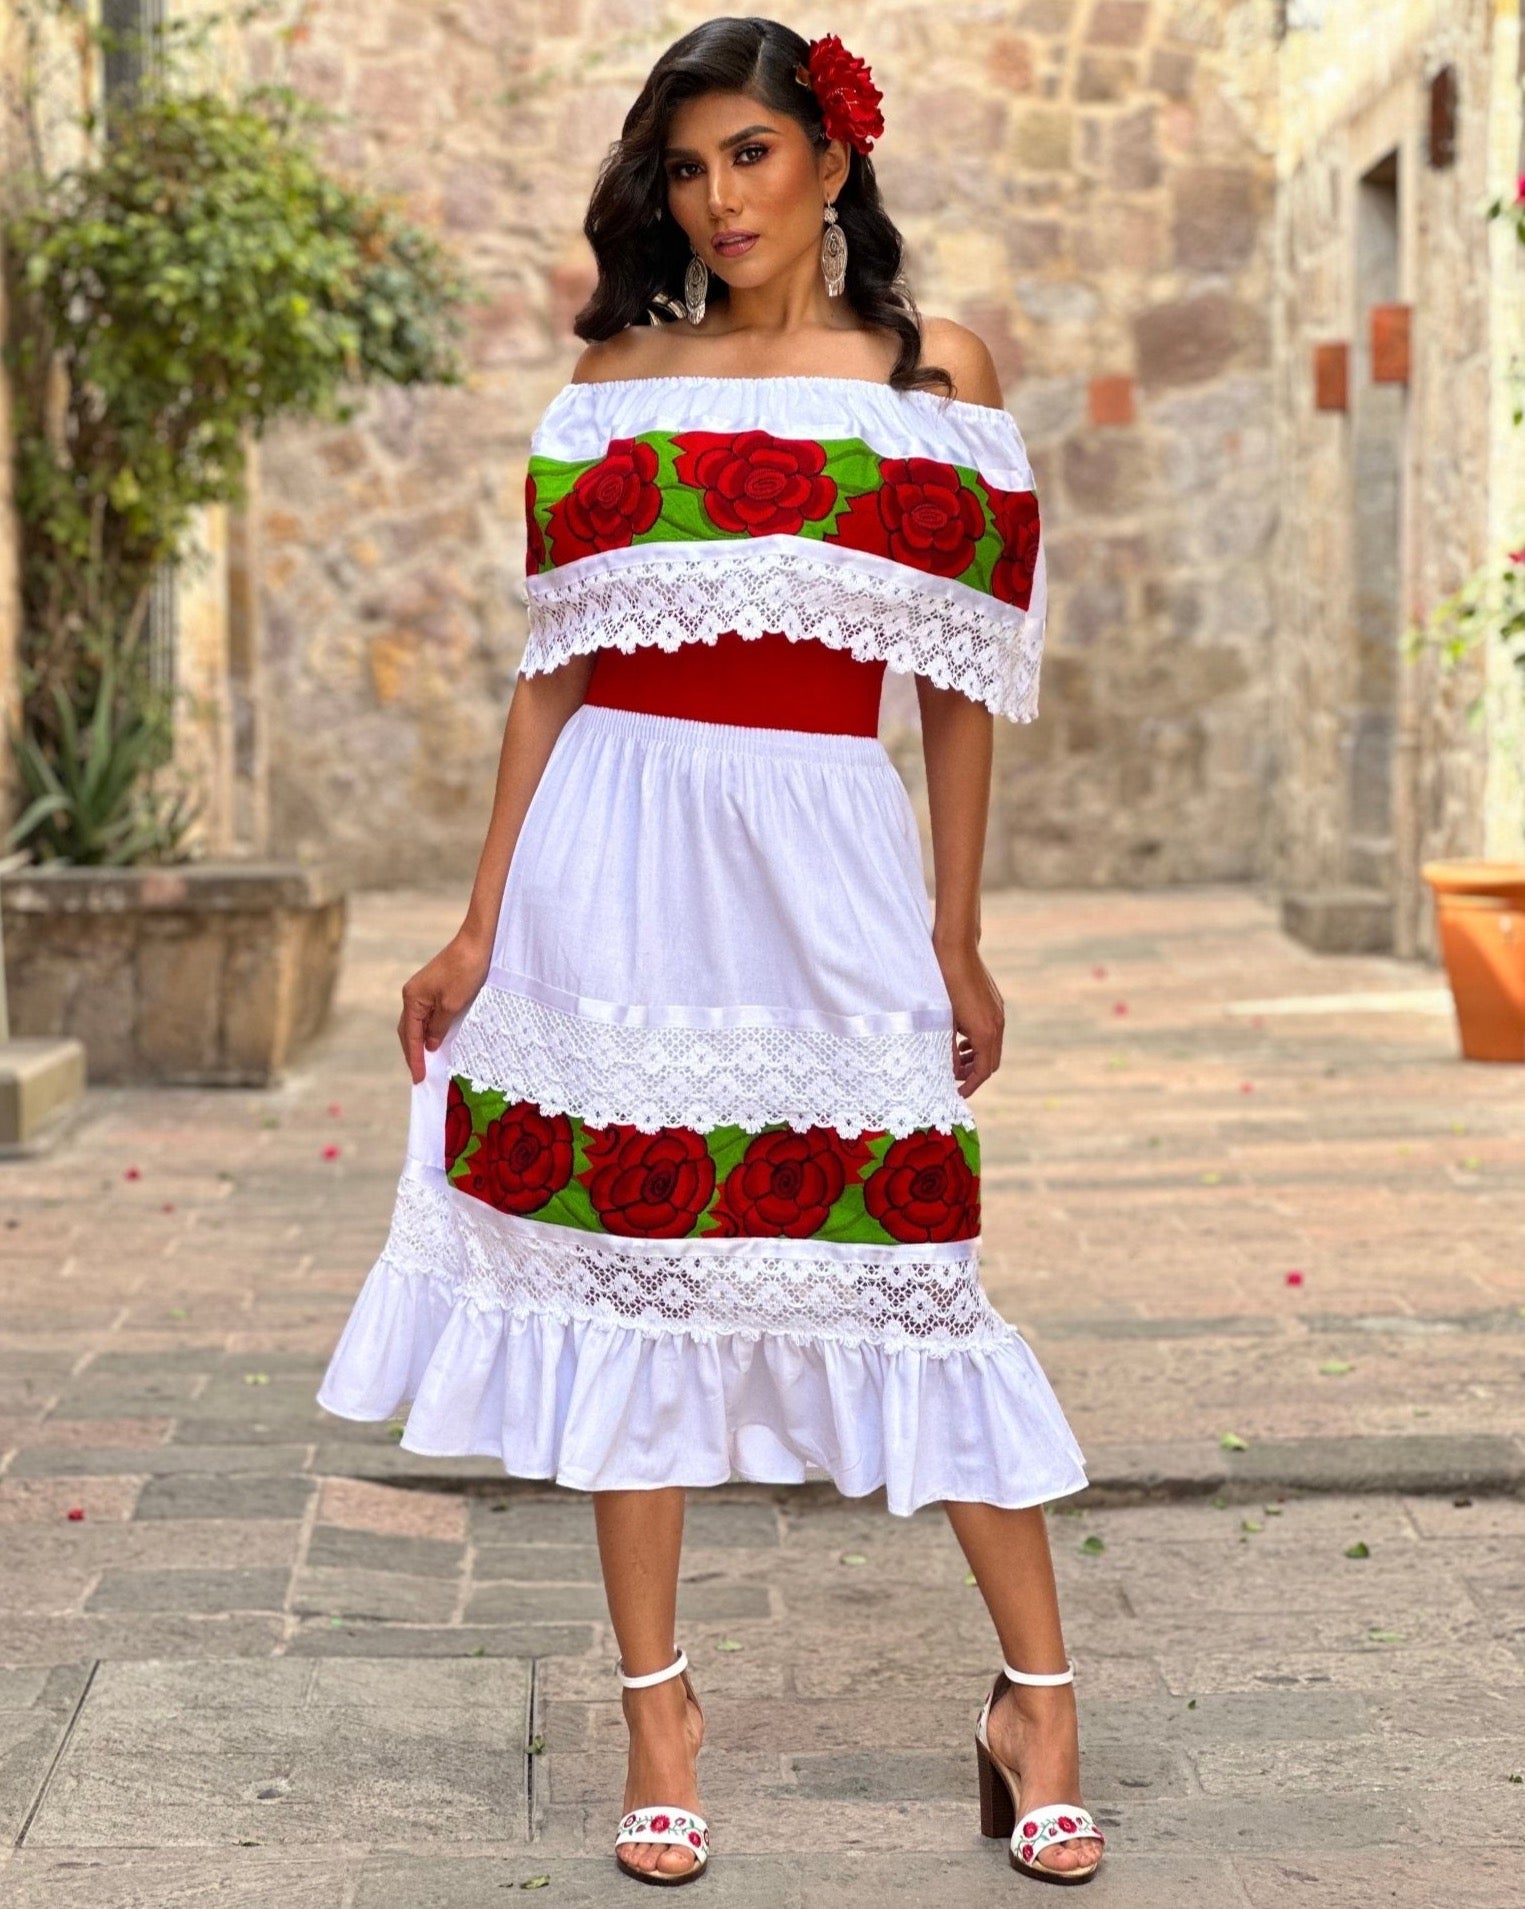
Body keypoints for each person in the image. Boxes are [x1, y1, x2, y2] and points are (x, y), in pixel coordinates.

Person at [318, 16, 1103, 1889]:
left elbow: (957, 687)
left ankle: (1038, 1701)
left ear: (833, 157)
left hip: (824, 850)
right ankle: (655, 1714)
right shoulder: (614, 381)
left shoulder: (934, 375)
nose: (718, 197)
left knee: (913, 1263)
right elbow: (554, 670)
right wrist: (478, 917)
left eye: (750, 153)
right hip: (615, 849)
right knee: (628, 1274)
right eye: (685, 168)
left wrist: (957, 933)